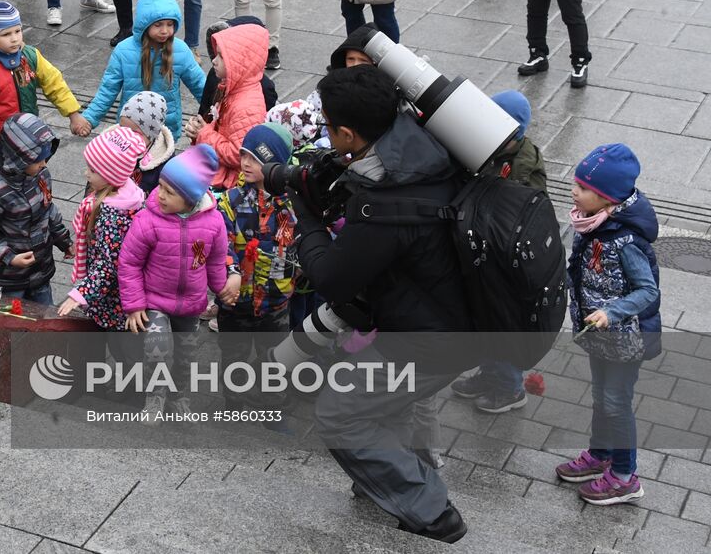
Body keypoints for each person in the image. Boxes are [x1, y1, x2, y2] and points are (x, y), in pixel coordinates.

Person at [293, 64, 472, 543]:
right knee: (382, 404)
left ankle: (433, 512)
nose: (327, 136)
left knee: (338, 413)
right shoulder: (425, 150)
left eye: (329, 128)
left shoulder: (386, 203)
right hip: (448, 321)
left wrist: (306, 216)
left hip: (430, 341)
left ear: (348, 134)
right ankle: (381, 487)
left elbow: (331, 278)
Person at [557, 143, 660, 506]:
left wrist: (611, 312)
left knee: (616, 402)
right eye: (576, 183)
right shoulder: (594, 224)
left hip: (624, 339)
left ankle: (624, 476)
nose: (574, 191)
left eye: (583, 188)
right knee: (602, 397)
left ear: (607, 199)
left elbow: (647, 290)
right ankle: (600, 455)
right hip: (600, 335)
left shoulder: (625, 240)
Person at [449, 89, 547, 415]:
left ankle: (510, 387)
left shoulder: (518, 167)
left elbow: (510, 213)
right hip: (489, 256)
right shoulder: (499, 153)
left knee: (502, 325)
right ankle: (490, 374)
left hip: (507, 262)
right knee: (486, 320)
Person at [119, 144, 230, 415]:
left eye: (170, 192)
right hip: (155, 300)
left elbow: (216, 260)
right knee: (157, 348)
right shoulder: (148, 219)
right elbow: (129, 262)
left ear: (191, 198)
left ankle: (179, 396)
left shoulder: (213, 222)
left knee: (185, 355)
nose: (161, 195)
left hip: (191, 303)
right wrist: (134, 305)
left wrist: (222, 289)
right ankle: (155, 396)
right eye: (162, 187)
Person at [0, 0, 90, 173]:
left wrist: (73, 114)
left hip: (29, 134)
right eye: (6, 34)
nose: (14, 38)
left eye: (17, 31)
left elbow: (54, 82)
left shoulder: (30, 56)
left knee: (34, 174)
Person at [216, 122, 296, 363]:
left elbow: (302, 243)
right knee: (233, 361)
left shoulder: (293, 204)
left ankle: (275, 400)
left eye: (256, 158)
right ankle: (234, 401)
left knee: (275, 362)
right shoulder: (231, 200)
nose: (246, 163)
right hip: (235, 301)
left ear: (276, 164)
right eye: (243, 155)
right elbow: (221, 242)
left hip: (276, 302)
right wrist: (231, 272)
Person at [0, 113, 70, 305]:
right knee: (10, 324)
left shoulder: (41, 176)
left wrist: (63, 240)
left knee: (44, 319)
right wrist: (9, 257)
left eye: (46, 157)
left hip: (40, 271)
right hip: (7, 279)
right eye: (37, 159)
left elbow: (49, 211)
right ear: (20, 158)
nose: (43, 163)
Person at [82, 0, 205, 138]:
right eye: (158, 25)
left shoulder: (180, 50)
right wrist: (89, 118)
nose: (165, 31)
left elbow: (200, 86)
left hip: (166, 131)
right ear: (144, 24)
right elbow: (108, 90)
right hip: (132, 130)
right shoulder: (123, 51)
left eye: (170, 24)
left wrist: (218, 112)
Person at [58, 126, 147, 328]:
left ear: (111, 175)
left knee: (118, 349)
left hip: (113, 301)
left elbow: (108, 265)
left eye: (93, 170)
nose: (86, 173)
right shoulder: (131, 195)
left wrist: (81, 294)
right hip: (113, 294)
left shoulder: (113, 215)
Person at [182, 21, 269, 187]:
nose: (214, 61)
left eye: (221, 56)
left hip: (229, 183)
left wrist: (203, 134)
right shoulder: (232, 89)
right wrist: (199, 132)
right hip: (219, 171)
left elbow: (237, 155)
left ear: (240, 63)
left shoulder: (246, 107)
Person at [118, 91, 172, 197]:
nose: (127, 136)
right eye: (122, 128)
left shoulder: (163, 163)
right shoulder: (110, 144)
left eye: (135, 132)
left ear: (151, 134)